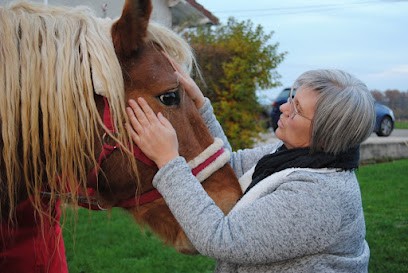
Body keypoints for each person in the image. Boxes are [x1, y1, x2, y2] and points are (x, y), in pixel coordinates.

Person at [125, 62, 374, 272]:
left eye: (297, 110)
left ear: (325, 134)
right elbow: (229, 168)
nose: (284, 108)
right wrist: (200, 104)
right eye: (292, 98)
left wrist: (168, 161)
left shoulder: (319, 197)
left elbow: (222, 239)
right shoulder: (288, 156)